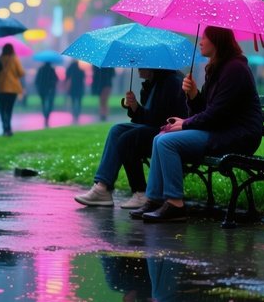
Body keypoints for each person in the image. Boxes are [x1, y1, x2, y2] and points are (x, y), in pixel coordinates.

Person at [134, 25, 263, 223]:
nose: (201, 42)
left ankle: (175, 204)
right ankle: (154, 199)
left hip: (237, 136)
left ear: (217, 41)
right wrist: (193, 95)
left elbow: (217, 114)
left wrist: (185, 124)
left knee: (167, 142)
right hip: (220, 130)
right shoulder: (217, 68)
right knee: (160, 137)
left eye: (205, 37)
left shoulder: (235, 69)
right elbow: (206, 110)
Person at [74, 68, 187, 209]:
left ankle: (140, 192)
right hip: (156, 127)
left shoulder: (171, 82)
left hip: (170, 132)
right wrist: (134, 107)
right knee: (117, 130)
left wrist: (136, 108)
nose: (138, 68)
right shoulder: (153, 82)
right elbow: (147, 118)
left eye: (142, 65)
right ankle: (102, 187)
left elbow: (159, 120)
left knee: (128, 139)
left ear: (152, 67)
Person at [0, 42, 25, 136]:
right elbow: (21, 73)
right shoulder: (14, 59)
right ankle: (8, 128)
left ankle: (4, 127)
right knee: (9, 108)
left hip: (0, 88)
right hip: (12, 88)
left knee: (2, 108)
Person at [35, 61, 58, 126]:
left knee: (43, 103)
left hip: (42, 90)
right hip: (50, 90)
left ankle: (45, 114)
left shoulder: (41, 70)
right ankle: (47, 115)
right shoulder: (52, 70)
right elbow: (56, 79)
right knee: (50, 103)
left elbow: (37, 80)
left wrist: (38, 88)